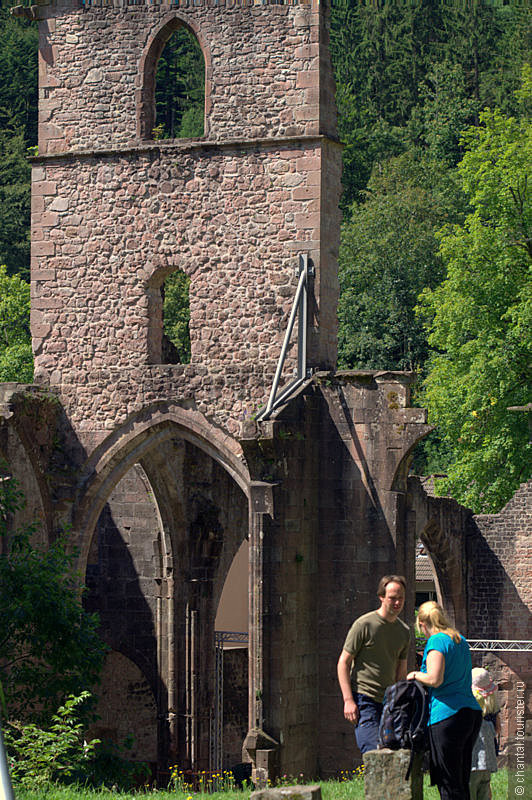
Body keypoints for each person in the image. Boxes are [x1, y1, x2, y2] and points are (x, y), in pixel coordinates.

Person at [407, 601, 482, 800]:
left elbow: (434, 679)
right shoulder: (460, 640)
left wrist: (414, 674)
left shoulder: (436, 641)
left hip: (447, 715)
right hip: (470, 713)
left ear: (422, 623)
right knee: (461, 779)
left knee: (448, 782)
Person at [337, 574, 411, 754]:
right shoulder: (364, 624)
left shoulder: (404, 631)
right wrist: (348, 700)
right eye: (392, 598)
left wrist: (401, 703)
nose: (397, 602)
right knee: (373, 751)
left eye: (400, 598)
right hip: (364, 699)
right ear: (381, 597)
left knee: (393, 751)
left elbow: (401, 673)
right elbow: (343, 663)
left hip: (389, 702)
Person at [469, 667, 499, 800]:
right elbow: (497, 730)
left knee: (470, 792)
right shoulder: (493, 710)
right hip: (488, 762)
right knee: (485, 792)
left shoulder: (469, 711)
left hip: (471, 763)